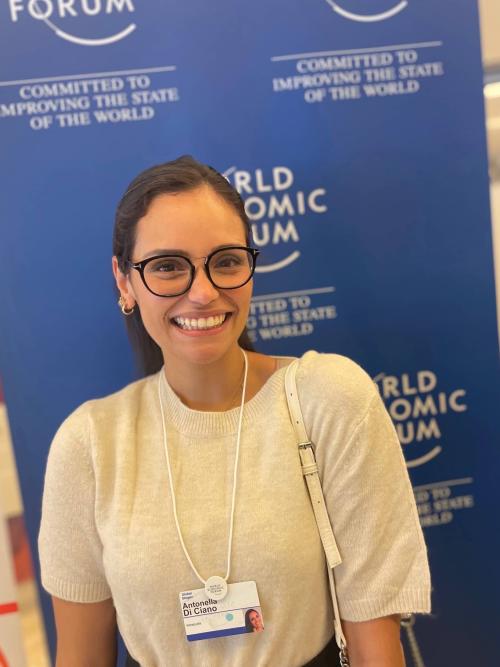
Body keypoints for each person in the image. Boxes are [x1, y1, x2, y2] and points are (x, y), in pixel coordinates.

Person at [39, 156, 431, 667]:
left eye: (225, 261)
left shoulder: (329, 399)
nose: (202, 293)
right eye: (167, 266)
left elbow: (377, 647)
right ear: (124, 281)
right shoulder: (89, 444)